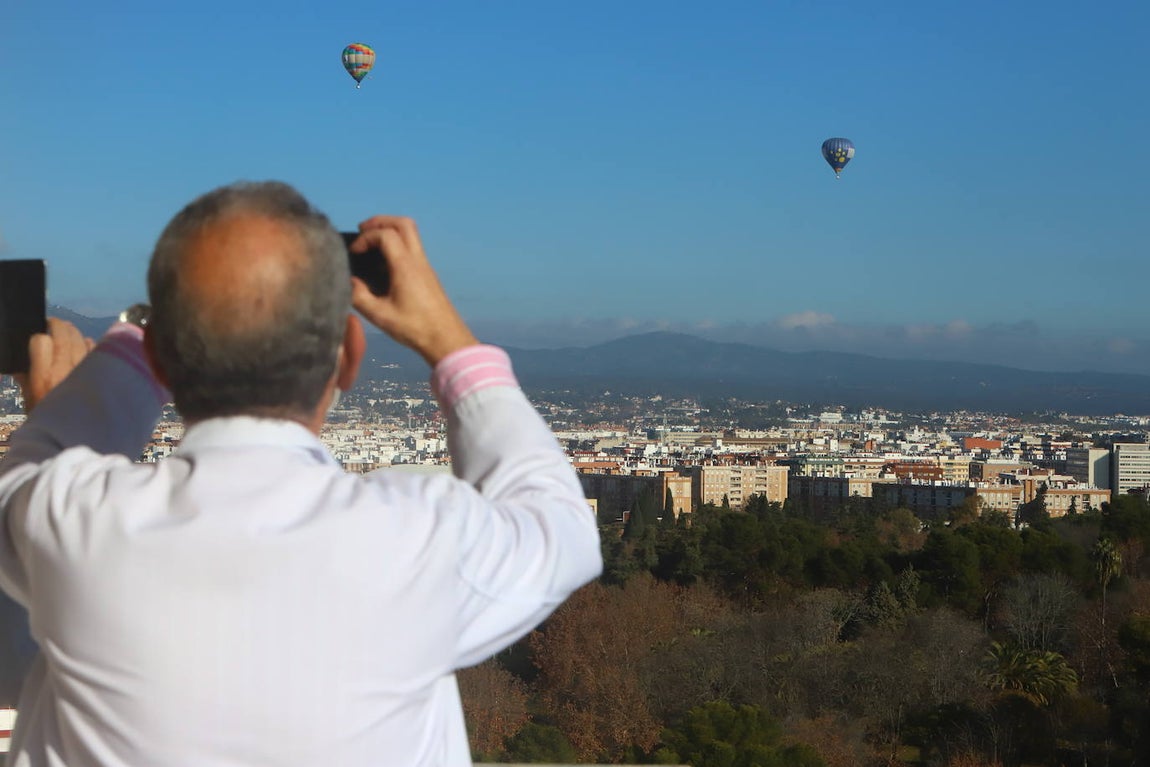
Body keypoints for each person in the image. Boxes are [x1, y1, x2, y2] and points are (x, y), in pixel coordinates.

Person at [0, 181, 603, 766]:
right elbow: (560, 525)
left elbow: (32, 470)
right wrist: (447, 337)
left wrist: (114, 361)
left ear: (161, 359)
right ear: (349, 354)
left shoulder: (67, 519)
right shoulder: (418, 536)